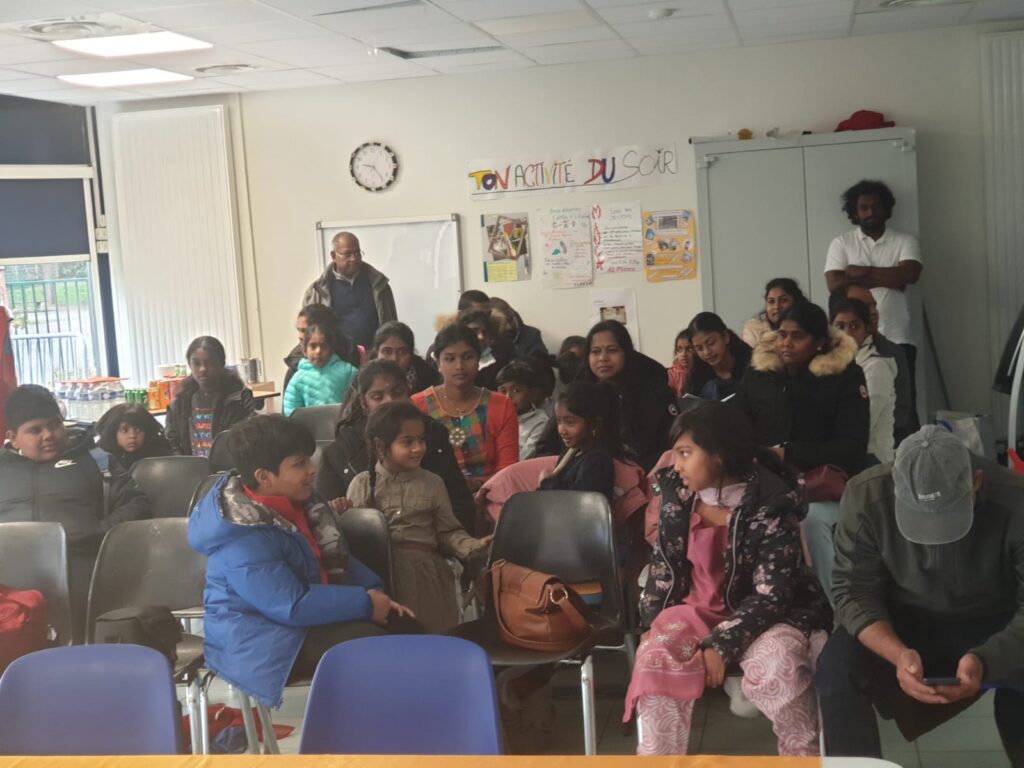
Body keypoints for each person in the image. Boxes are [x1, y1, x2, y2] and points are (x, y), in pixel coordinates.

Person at [625, 401, 832, 756]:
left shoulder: (771, 504)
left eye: (685, 453)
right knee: (654, 657)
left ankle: (803, 759)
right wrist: (650, 621)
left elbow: (773, 594)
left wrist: (722, 644)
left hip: (770, 616)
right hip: (694, 611)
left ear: (718, 455)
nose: (676, 464)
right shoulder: (677, 496)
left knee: (781, 666)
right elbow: (664, 567)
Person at [817, 426, 1024, 766]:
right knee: (836, 669)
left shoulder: (1016, 499)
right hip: (904, 621)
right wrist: (897, 653)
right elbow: (853, 589)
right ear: (895, 486)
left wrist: (988, 659)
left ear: (976, 482)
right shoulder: (866, 495)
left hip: (995, 621)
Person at [188, 415, 419, 708]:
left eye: (309, 460)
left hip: (303, 619)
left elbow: (337, 558)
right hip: (261, 638)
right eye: (299, 464)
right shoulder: (241, 532)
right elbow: (289, 604)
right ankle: (370, 728)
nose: (312, 469)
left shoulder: (303, 501)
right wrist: (364, 603)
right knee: (372, 645)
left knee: (409, 629)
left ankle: (417, 723)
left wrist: (374, 593)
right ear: (264, 477)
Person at [734, 301, 869, 597]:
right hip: (766, 483)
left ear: (819, 342)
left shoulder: (845, 376)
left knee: (809, 522)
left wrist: (788, 453)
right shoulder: (760, 373)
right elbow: (736, 424)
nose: (786, 343)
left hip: (820, 489)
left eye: (797, 336)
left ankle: (835, 608)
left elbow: (852, 447)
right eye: (782, 335)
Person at [0, 385, 149, 640]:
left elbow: (137, 504)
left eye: (54, 424)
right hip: (9, 590)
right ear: (13, 438)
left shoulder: (96, 461)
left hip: (84, 577)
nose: (49, 435)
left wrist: (99, 531)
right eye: (35, 430)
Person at [346, 402, 493, 633]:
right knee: (391, 641)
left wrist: (472, 546)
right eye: (407, 442)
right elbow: (355, 538)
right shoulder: (362, 484)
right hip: (382, 577)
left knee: (431, 636)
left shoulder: (433, 483)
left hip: (426, 578)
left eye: (421, 440)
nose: (418, 448)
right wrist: (340, 512)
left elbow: (447, 532)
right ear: (380, 446)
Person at [316, 360, 475, 531]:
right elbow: (325, 520)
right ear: (364, 403)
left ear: (408, 393)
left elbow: (460, 504)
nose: (390, 401)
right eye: (378, 397)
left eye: (398, 393)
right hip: (367, 542)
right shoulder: (342, 450)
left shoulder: (433, 435)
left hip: (432, 540)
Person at [824, 180, 922, 418]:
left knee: (904, 406)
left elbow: (910, 275)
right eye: (864, 207)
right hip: (852, 339)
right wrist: (890, 277)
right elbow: (834, 284)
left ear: (887, 209)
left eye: (876, 206)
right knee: (854, 401)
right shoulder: (842, 243)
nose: (870, 212)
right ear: (855, 212)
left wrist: (860, 272)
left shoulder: (905, 241)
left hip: (898, 336)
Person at [537, 321, 676, 472]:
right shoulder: (576, 393)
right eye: (595, 352)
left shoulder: (654, 392)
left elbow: (669, 447)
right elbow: (545, 445)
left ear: (626, 352)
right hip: (582, 473)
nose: (603, 358)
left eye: (612, 350)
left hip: (642, 474)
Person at [412, 324, 519, 493]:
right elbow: (411, 465)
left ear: (479, 360)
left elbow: (508, 470)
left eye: (468, 357)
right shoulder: (417, 406)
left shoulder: (501, 405)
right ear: (438, 362)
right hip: (433, 495)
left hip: (492, 493)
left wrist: (478, 486)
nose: (459, 366)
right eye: (450, 359)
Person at [830, 280, 916, 441]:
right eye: (863, 306)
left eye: (874, 305)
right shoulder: (823, 357)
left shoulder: (886, 356)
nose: (874, 312)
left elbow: (900, 414)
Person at [301, 231, 398, 350]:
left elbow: (392, 327)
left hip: (374, 356)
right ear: (333, 256)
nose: (353, 258)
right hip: (336, 358)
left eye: (357, 252)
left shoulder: (379, 285)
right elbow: (308, 334)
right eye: (347, 254)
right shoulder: (317, 292)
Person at [166, 336, 256, 458]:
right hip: (191, 468)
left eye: (209, 363)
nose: (203, 369)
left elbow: (247, 442)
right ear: (190, 365)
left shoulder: (238, 399)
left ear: (221, 363)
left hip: (230, 467)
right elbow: (172, 443)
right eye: (196, 363)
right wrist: (183, 466)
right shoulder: (180, 402)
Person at [831, 298, 896, 463]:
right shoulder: (829, 366)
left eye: (855, 326)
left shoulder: (876, 366)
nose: (847, 333)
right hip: (841, 453)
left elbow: (862, 422)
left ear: (867, 329)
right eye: (840, 327)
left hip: (871, 459)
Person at [538, 381, 627, 502]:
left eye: (570, 423)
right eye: (559, 422)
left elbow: (578, 502)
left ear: (595, 424)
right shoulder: (572, 453)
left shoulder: (597, 460)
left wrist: (547, 483)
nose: (561, 430)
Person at [282, 322, 358, 416]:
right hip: (309, 425)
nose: (318, 351)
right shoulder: (298, 379)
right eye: (313, 346)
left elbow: (358, 401)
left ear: (331, 349)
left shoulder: (348, 372)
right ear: (304, 350)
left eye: (324, 346)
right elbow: (291, 412)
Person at [284, 304, 359, 393]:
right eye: (298, 330)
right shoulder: (295, 366)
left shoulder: (349, 360)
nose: (299, 336)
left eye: (304, 331)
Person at [686, 312, 752, 401]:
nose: (707, 352)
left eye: (711, 343)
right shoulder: (697, 376)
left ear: (725, 337)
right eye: (699, 348)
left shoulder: (752, 364)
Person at [95, 402, 173, 471]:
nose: (132, 436)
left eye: (138, 430)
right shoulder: (101, 457)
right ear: (112, 431)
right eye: (125, 431)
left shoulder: (160, 455)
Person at [496, 360, 549, 460]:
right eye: (503, 391)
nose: (508, 397)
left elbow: (523, 458)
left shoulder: (540, 422)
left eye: (516, 390)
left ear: (532, 393)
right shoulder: (495, 418)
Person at [372, 320, 438, 395]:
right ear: (377, 353)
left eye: (402, 352)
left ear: (411, 354)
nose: (394, 358)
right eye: (387, 351)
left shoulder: (431, 382)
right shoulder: (366, 380)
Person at [456, 309, 514, 392]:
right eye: (474, 331)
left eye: (485, 332)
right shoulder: (448, 361)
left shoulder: (503, 362)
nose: (481, 337)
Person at [742, 278, 807, 348]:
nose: (777, 307)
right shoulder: (754, 331)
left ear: (796, 302)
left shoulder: (809, 329)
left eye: (784, 300)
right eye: (771, 301)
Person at [667, 329, 692, 398]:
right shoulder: (671, 374)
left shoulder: (704, 371)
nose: (683, 354)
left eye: (689, 349)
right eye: (679, 350)